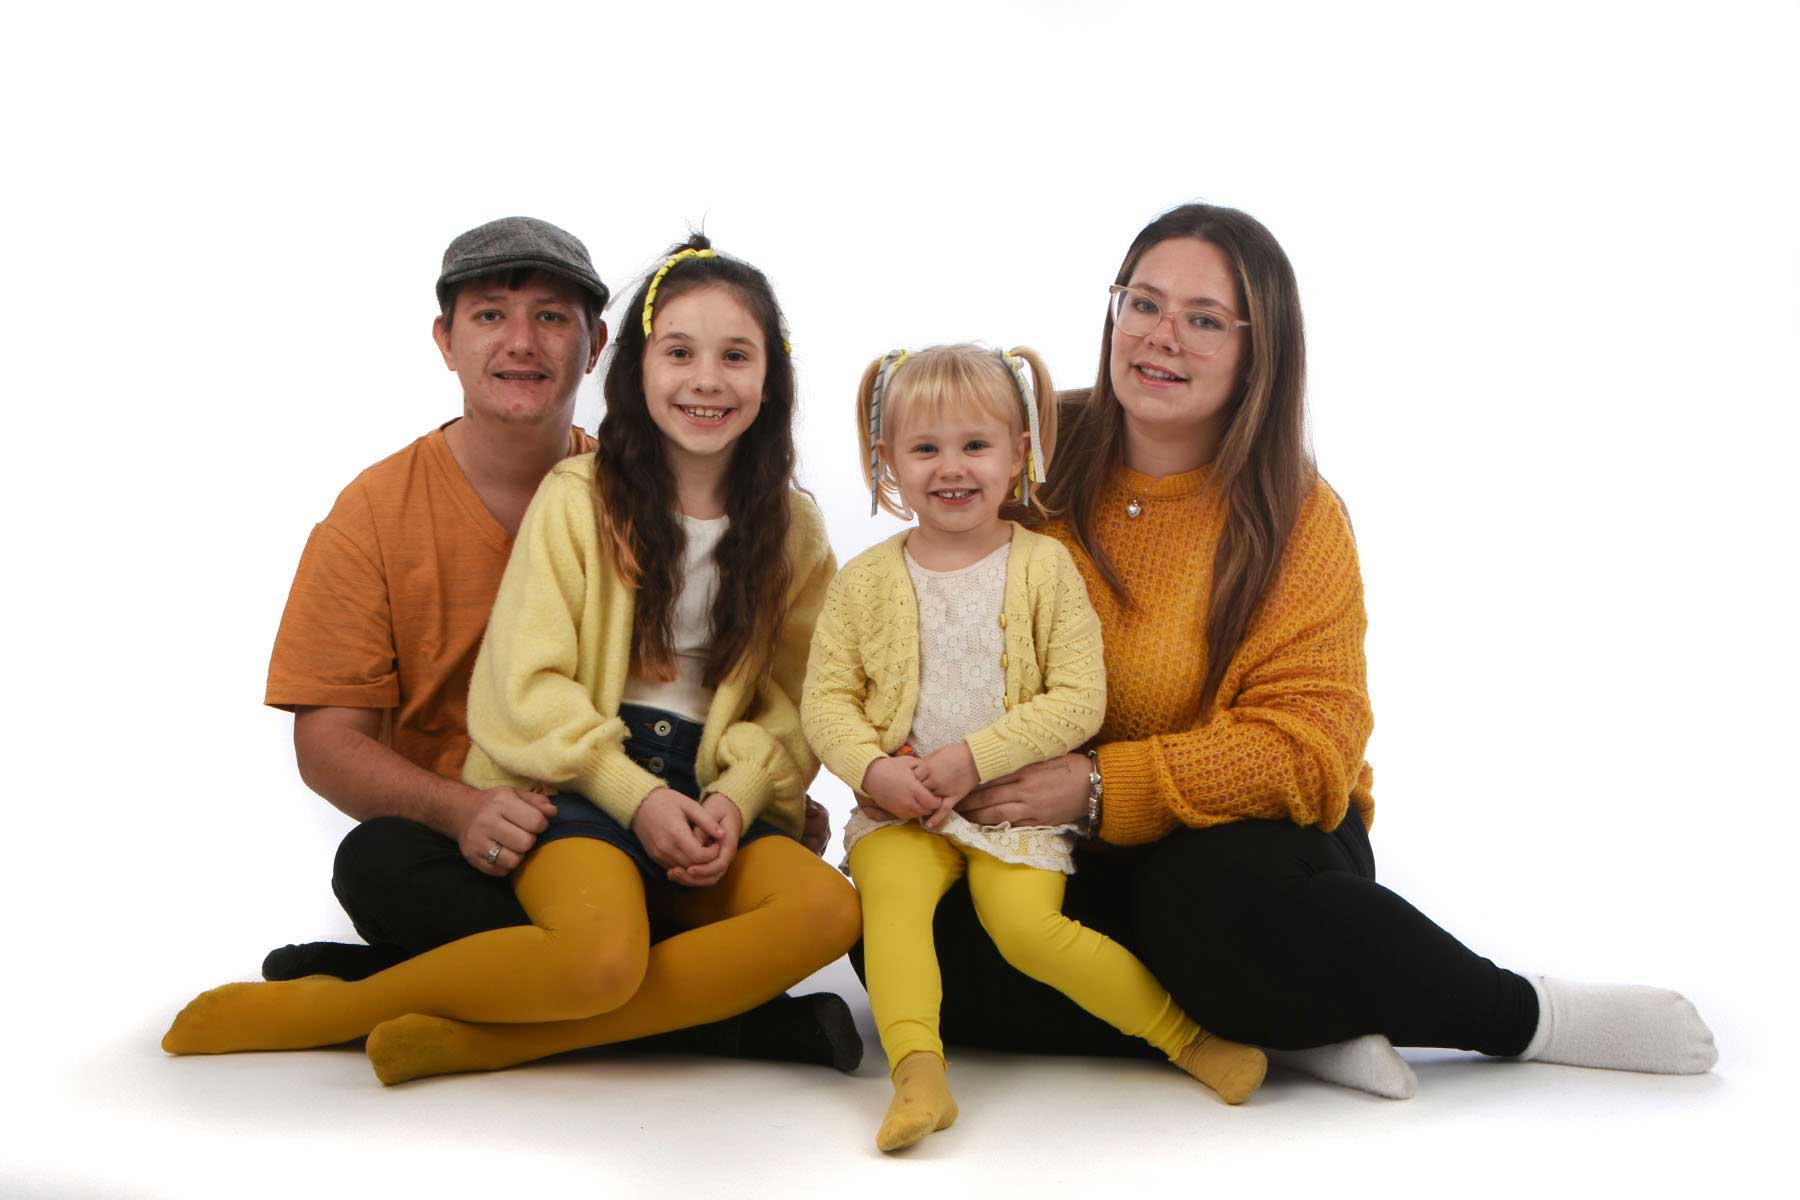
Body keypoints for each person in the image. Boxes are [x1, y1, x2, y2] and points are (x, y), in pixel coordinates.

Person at [911, 203, 1716, 1098]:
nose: (1160, 337)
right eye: (1142, 304)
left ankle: (1523, 1015)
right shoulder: (1025, 458)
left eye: (1205, 320)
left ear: (1261, 351)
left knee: (1194, 907)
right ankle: (1269, 1023)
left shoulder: (1291, 510)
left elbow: (1308, 743)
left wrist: (1103, 787)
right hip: (1050, 848)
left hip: (1252, 843)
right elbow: (922, 607)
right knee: (904, 940)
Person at [163, 230, 862, 1080]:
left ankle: (478, 1028)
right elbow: (371, 730)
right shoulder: (497, 505)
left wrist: (749, 793)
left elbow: (795, 698)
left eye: (550, 317)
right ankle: (725, 1022)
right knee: (449, 891)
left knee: (827, 911)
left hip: (693, 796)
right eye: (490, 314)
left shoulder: (777, 524)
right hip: (544, 800)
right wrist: (472, 811)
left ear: (596, 347)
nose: (521, 340)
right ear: (445, 338)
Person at [806, 344, 1268, 1151]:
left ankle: (1188, 1040)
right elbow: (826, 701)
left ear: (1021, 451)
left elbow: (1080, 699)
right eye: (925, 449)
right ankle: (920, 1075)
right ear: (888, 461)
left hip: (1008, 808)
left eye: (976, 446)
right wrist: (876, 768)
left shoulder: (1045, 567)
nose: (952, 468)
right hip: (902, 812)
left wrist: (971, 760)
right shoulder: (865, 580)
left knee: (1028, 931)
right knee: (892, 911)